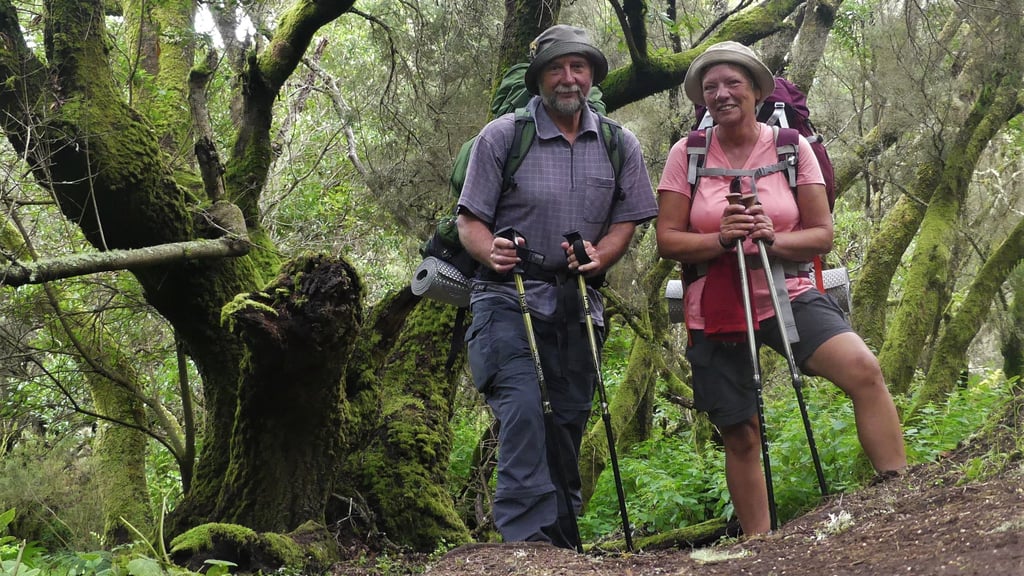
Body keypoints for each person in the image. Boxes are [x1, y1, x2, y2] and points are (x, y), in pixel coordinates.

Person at [655, 41, 907, 536]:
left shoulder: (793, 148)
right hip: (714, 305)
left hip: (787, 290)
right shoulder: (686, 154)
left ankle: (900, 490)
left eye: (732, 84)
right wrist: (720, 238)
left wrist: (773, 235)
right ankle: (760, 546)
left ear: (755, 90)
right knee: (740, 431)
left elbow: (822, 233)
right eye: (711, 88)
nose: (722, 94)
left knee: (863, 370)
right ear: (702, 99)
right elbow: (668, 239)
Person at [456, 25, 658, 549]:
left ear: (591, 76)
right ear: (539, 77)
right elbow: (469, 222)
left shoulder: (618, 142)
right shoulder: (502, 136)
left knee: (567, 422)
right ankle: (525, 545)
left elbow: (627, 222)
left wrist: (600, 255)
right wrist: (490, 250)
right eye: (556, 68)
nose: (568, 78)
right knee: (524, 410)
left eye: (578, 67)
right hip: (505, 297)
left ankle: (562, 546)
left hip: (576, 302)